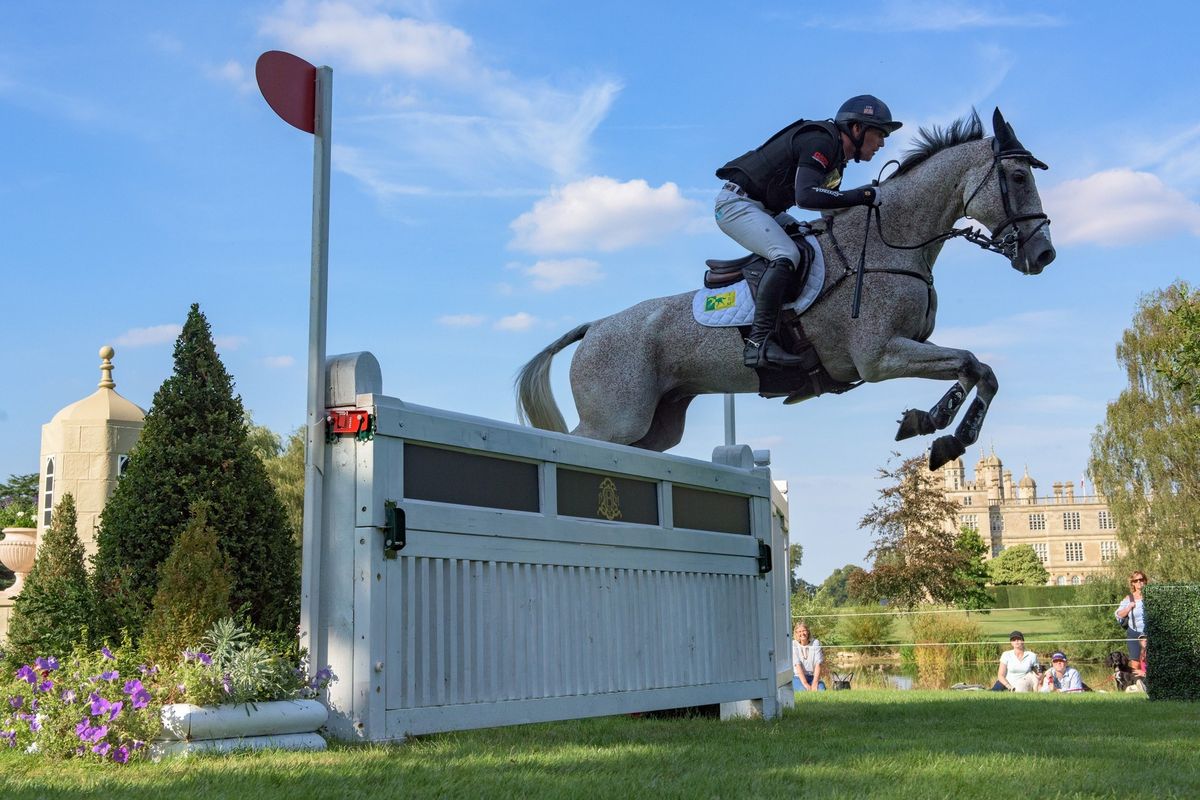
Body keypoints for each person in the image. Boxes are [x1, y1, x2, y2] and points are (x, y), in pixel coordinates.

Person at [715, 95, 903, 370]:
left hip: (767, 210)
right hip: (736, 204)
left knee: (811, 240)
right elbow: (806, 196)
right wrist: (863, 194)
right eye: (879, 133)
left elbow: (830, 209)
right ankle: (758, 344)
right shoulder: (822, 140)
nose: (883, 143)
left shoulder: (837, 161)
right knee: (786, 253)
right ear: (856, 129)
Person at [1115, 570, 1147, 659]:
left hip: (1151, 634)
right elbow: (1118, 615)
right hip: (1134, 634)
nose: (1139, 582)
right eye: (1135, 580)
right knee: (1135, 663)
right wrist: (1128, 608)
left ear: (1145, 580)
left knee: (1152, 663)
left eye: (1141, 579)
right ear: (1132, 583)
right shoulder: (1129, 598)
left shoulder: (1153, 595)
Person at [792, 622, 826, 691]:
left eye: (804, 630)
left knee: (821, 689)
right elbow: (797, 665)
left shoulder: (815, 643)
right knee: (803, 690)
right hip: (798, 677)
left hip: (812, 676)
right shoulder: (794, 644)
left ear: (808, 632)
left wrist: (815, 683)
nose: (802, 633)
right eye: (799, 632)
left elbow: (818, 664)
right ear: (796, 633)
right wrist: (805, 684)